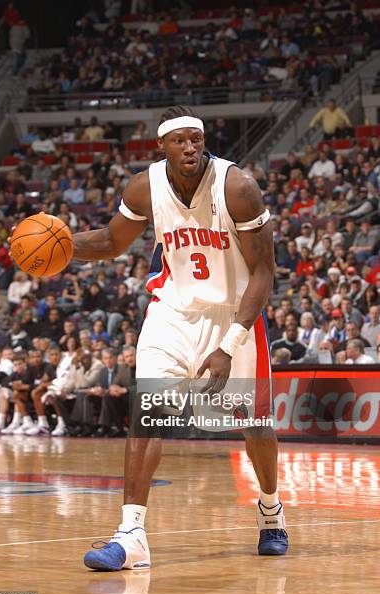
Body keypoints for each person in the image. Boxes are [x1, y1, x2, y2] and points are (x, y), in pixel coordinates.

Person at [68, 105, 287, 570]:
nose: (190, 147)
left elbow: (265, 271)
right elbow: (111, 241)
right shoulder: (144, 186)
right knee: (148, 414)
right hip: (171, 310)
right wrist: (61, 244)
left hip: (234, 314)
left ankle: (270, 510)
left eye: (196, 139)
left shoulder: (237, 187)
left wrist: (229, 345)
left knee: (254, 427)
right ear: (161, 146)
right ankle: (131, 535)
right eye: (179, 140)